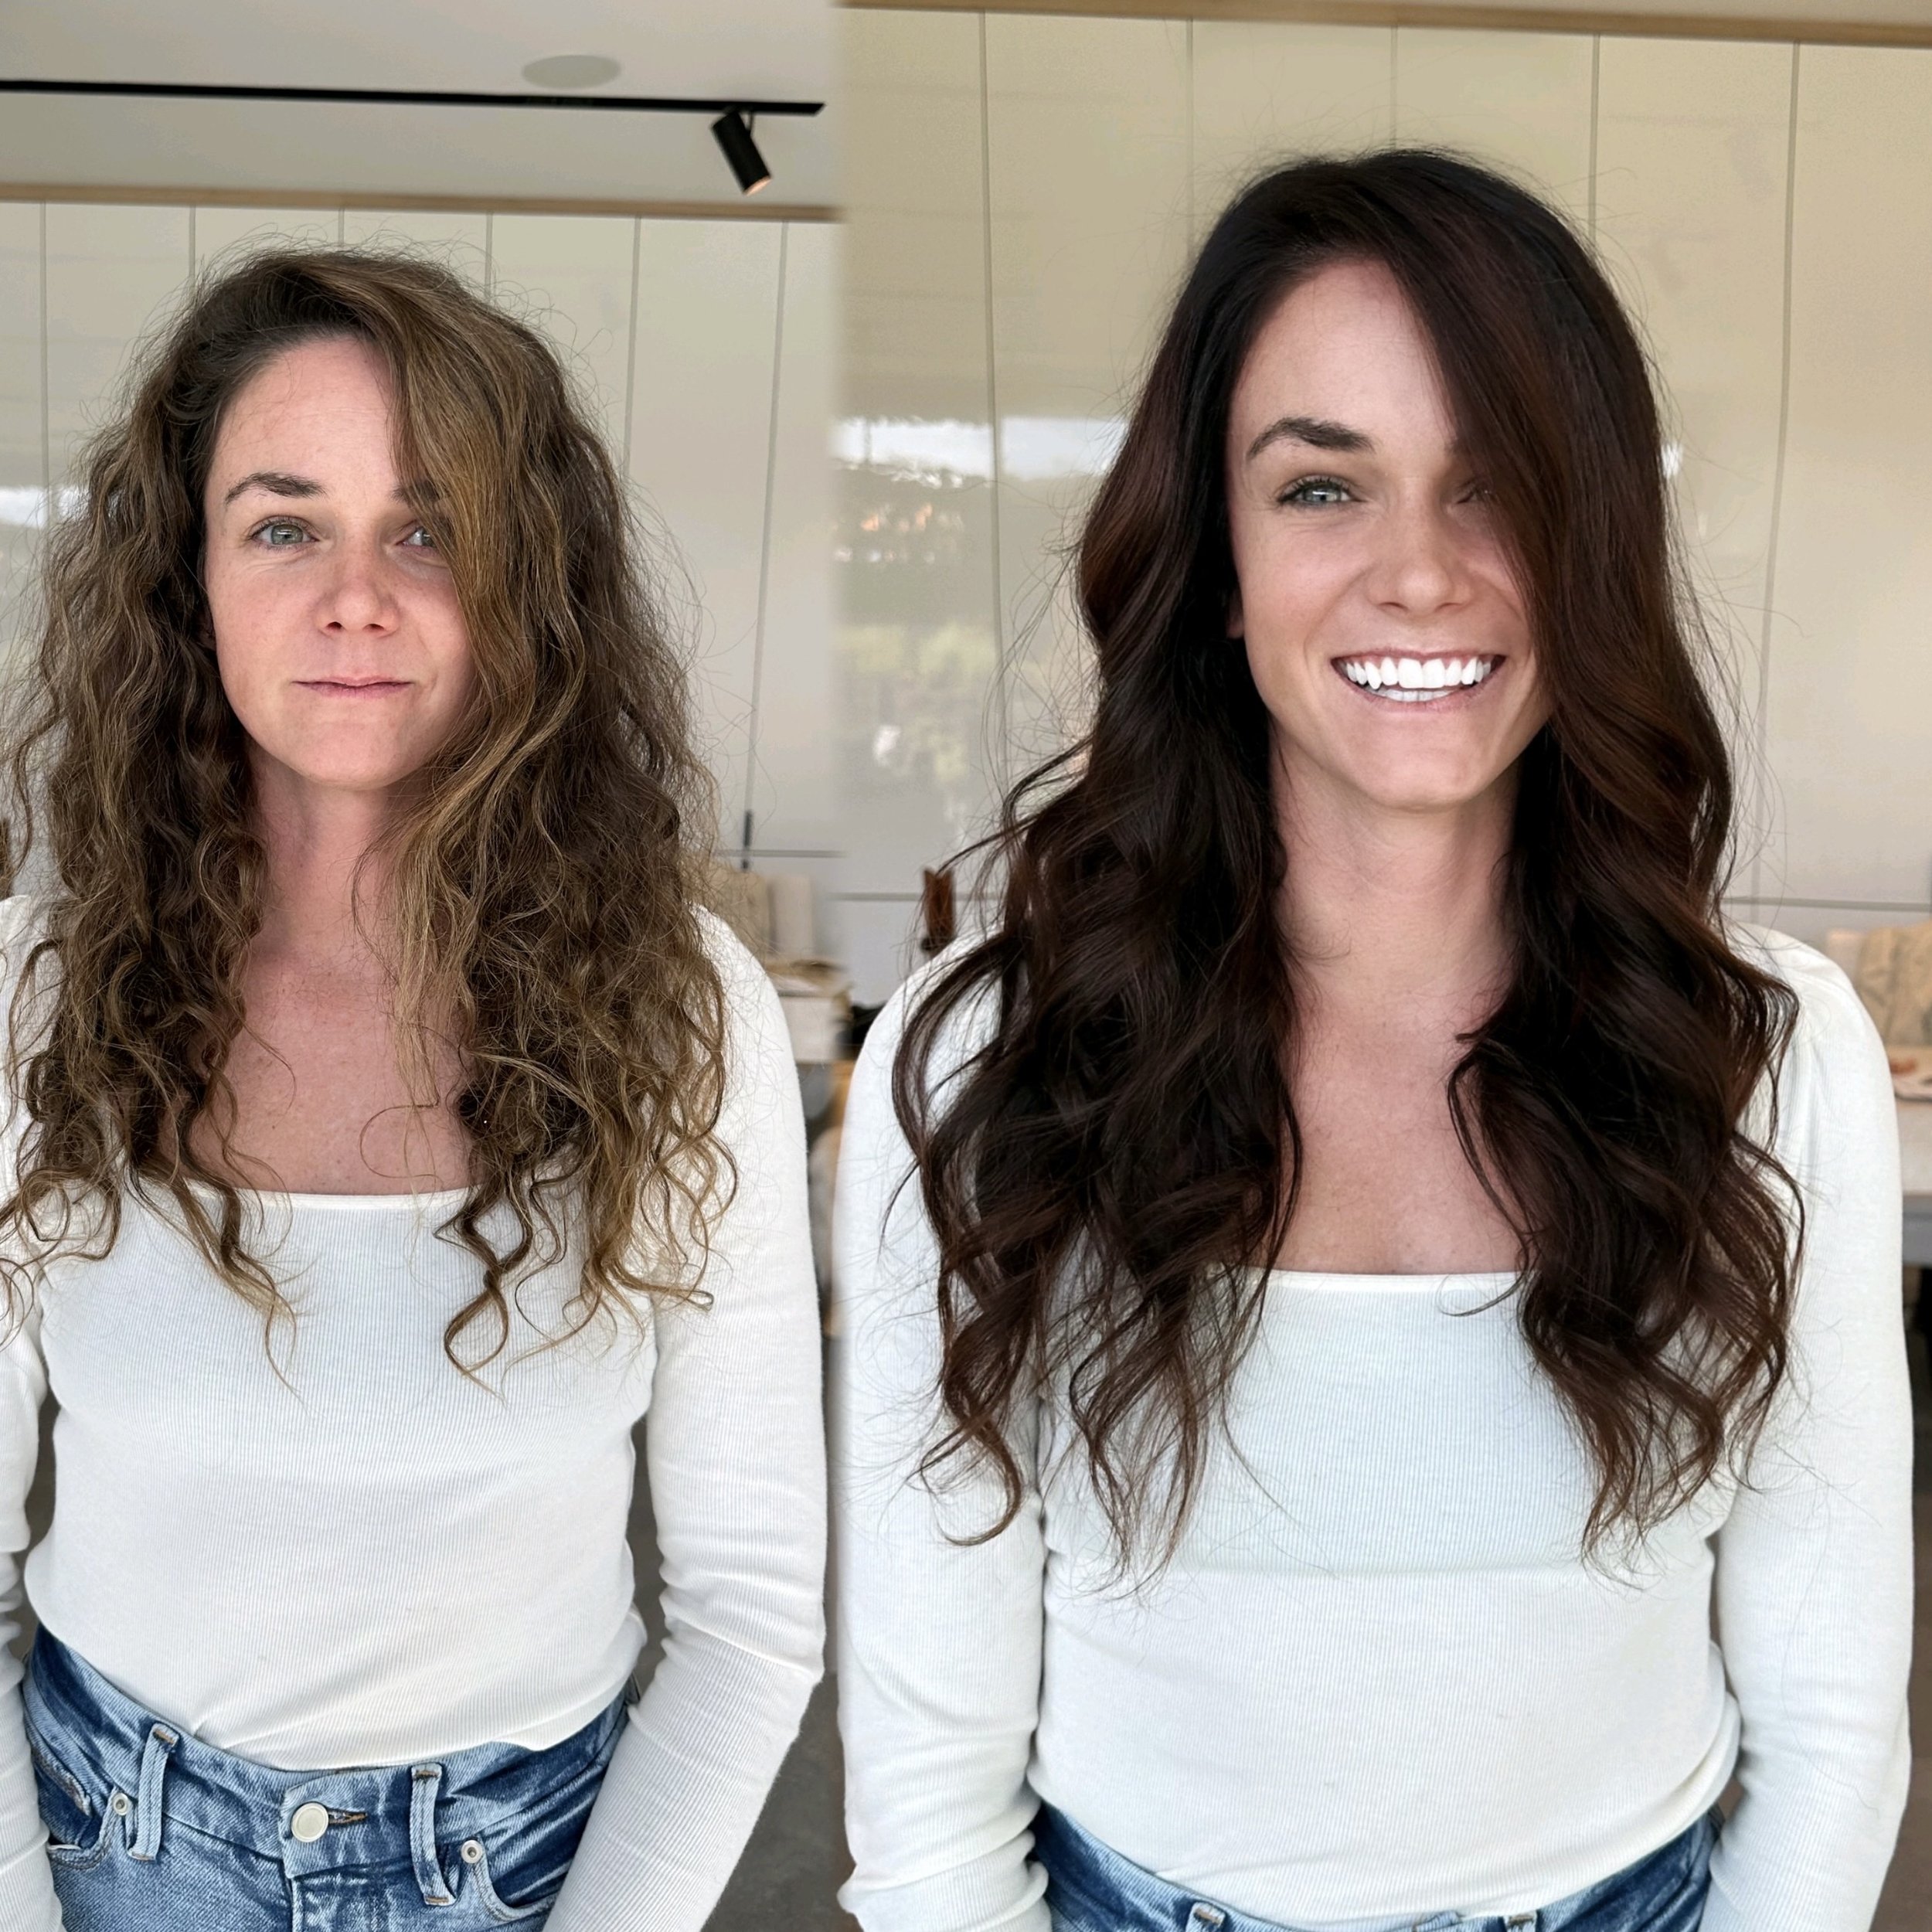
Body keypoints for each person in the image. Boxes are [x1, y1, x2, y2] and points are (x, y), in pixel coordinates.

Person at [834, 150, 1912, 1932]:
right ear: (1216, 560)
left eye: (1493, 486)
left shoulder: (1766, 1050)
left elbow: (1824, 1705)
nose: (1418, 573)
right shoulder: (984, 1071)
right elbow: (930, 1754)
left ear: (1592, 549)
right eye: (1322, 484)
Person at [0, 246, 825, 1931]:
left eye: (430, 526)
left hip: (529, 1867)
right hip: (105, 1847)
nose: (356, 596)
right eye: (284, 522)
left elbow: (749, 1614)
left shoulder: (680, 1008)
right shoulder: (34, 994)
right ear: (191, 578)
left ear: (528, 586)